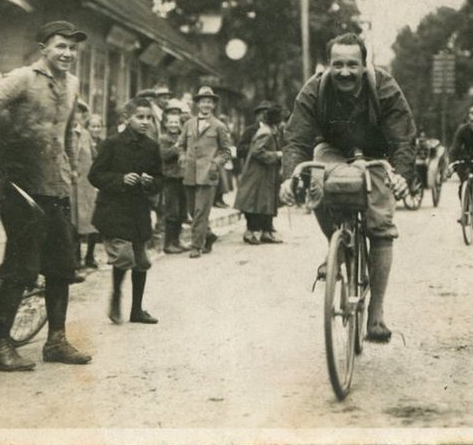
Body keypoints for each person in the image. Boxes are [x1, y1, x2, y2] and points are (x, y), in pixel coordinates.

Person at [0, 20, 91, 371]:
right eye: (60, 46)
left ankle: (56, 340)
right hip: (20, 184)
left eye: (72, 48)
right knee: (22, 265)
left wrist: (70, 167)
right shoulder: (22, 78)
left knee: (62, 265)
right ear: (43, 48)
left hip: (55, 184)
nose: (67, 53)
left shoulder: (73, 83)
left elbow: (64, 131)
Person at [279, 33, 414, 343]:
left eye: (352, 65)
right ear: (328, 65)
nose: (344, 72)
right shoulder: (315, 89)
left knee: (380, 225)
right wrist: (290, 177)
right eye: (337, 64)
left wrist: (402, 174)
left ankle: (376, 315)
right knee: (316, 179)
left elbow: (402, 137)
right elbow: (296, 138)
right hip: (333, 149)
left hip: (376, 154)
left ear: (364, 65)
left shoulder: (384, 87)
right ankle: (336, 246)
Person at [89, 96, 162, 325]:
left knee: (141, 260)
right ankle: (116, 296)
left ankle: (136, 310)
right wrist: (120, 179)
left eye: (149, 118)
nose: (145, 122)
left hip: (139, 209)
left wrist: (151, 182)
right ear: (126, 118)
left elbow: (160, 179)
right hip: (115, 209)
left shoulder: (152, 147)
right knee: (124, 256)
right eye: (139, 117)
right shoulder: (112, 143)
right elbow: (95, 175)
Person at [177, 86, 232, 258]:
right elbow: (180, 145)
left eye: (209, 102)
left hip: (208, 174)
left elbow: (226, 151)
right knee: (193, 211)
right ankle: (208, 235)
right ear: (198, 103)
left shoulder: (219, 126)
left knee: (201, 211)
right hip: (190, 173)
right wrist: (182, 156)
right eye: (203, 101)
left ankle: (196, 246)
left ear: (213, 105)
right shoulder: (188, 124)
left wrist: (216, 163)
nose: (206, 105)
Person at [235, 106, 284, 244]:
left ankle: (265, 232)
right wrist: (277, 155)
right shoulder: (266, 133)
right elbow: (257, 152)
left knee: (265, 202)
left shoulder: (270, 131)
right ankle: (252, 233)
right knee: (255, 202)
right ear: (276, 122)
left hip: (265, 173)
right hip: (258, 174)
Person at [71, 101, 99, 269]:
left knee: (92, 221)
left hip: (88, 184)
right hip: (73, 185)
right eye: (73, 112)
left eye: (79, 112)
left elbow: (95, 157)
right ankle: (76, 259)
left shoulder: (86, 135)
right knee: (74, 223)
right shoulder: (66, 134)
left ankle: (90, 256)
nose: (76, 115)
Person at [159, 110, 188, 254]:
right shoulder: (163, 139)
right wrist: (177, 147)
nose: (174, 125)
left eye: (176, 122)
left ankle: (177, 240)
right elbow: (163, 155)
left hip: (184, 178)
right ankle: (168, 243)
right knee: (172, 211)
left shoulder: (184, 138)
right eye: (171, 122)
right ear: (166, 124)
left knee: (182, 211)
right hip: (170, 178)